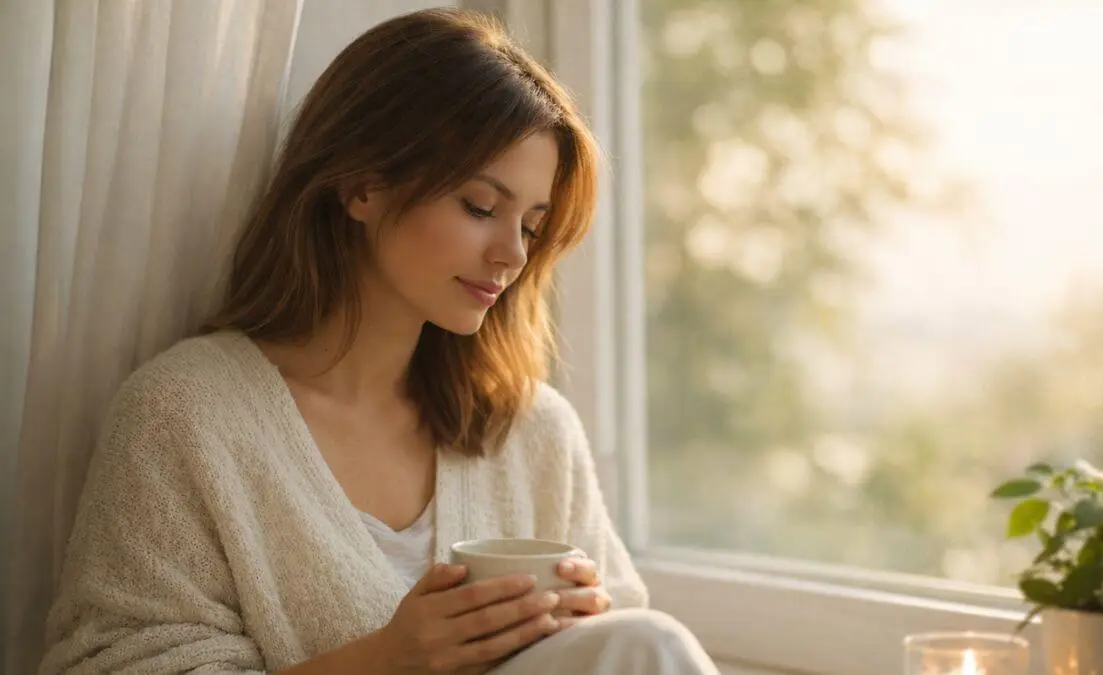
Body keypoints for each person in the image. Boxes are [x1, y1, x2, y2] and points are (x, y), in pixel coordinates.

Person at [39, 8, 720, 675]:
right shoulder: (185, 415)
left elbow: (623, 634)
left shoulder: (530, 431)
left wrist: (583, 628)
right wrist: (387, 660)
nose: (511, 254)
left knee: (645, 644)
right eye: (481, 207)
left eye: (532, 226)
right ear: (363, 184)